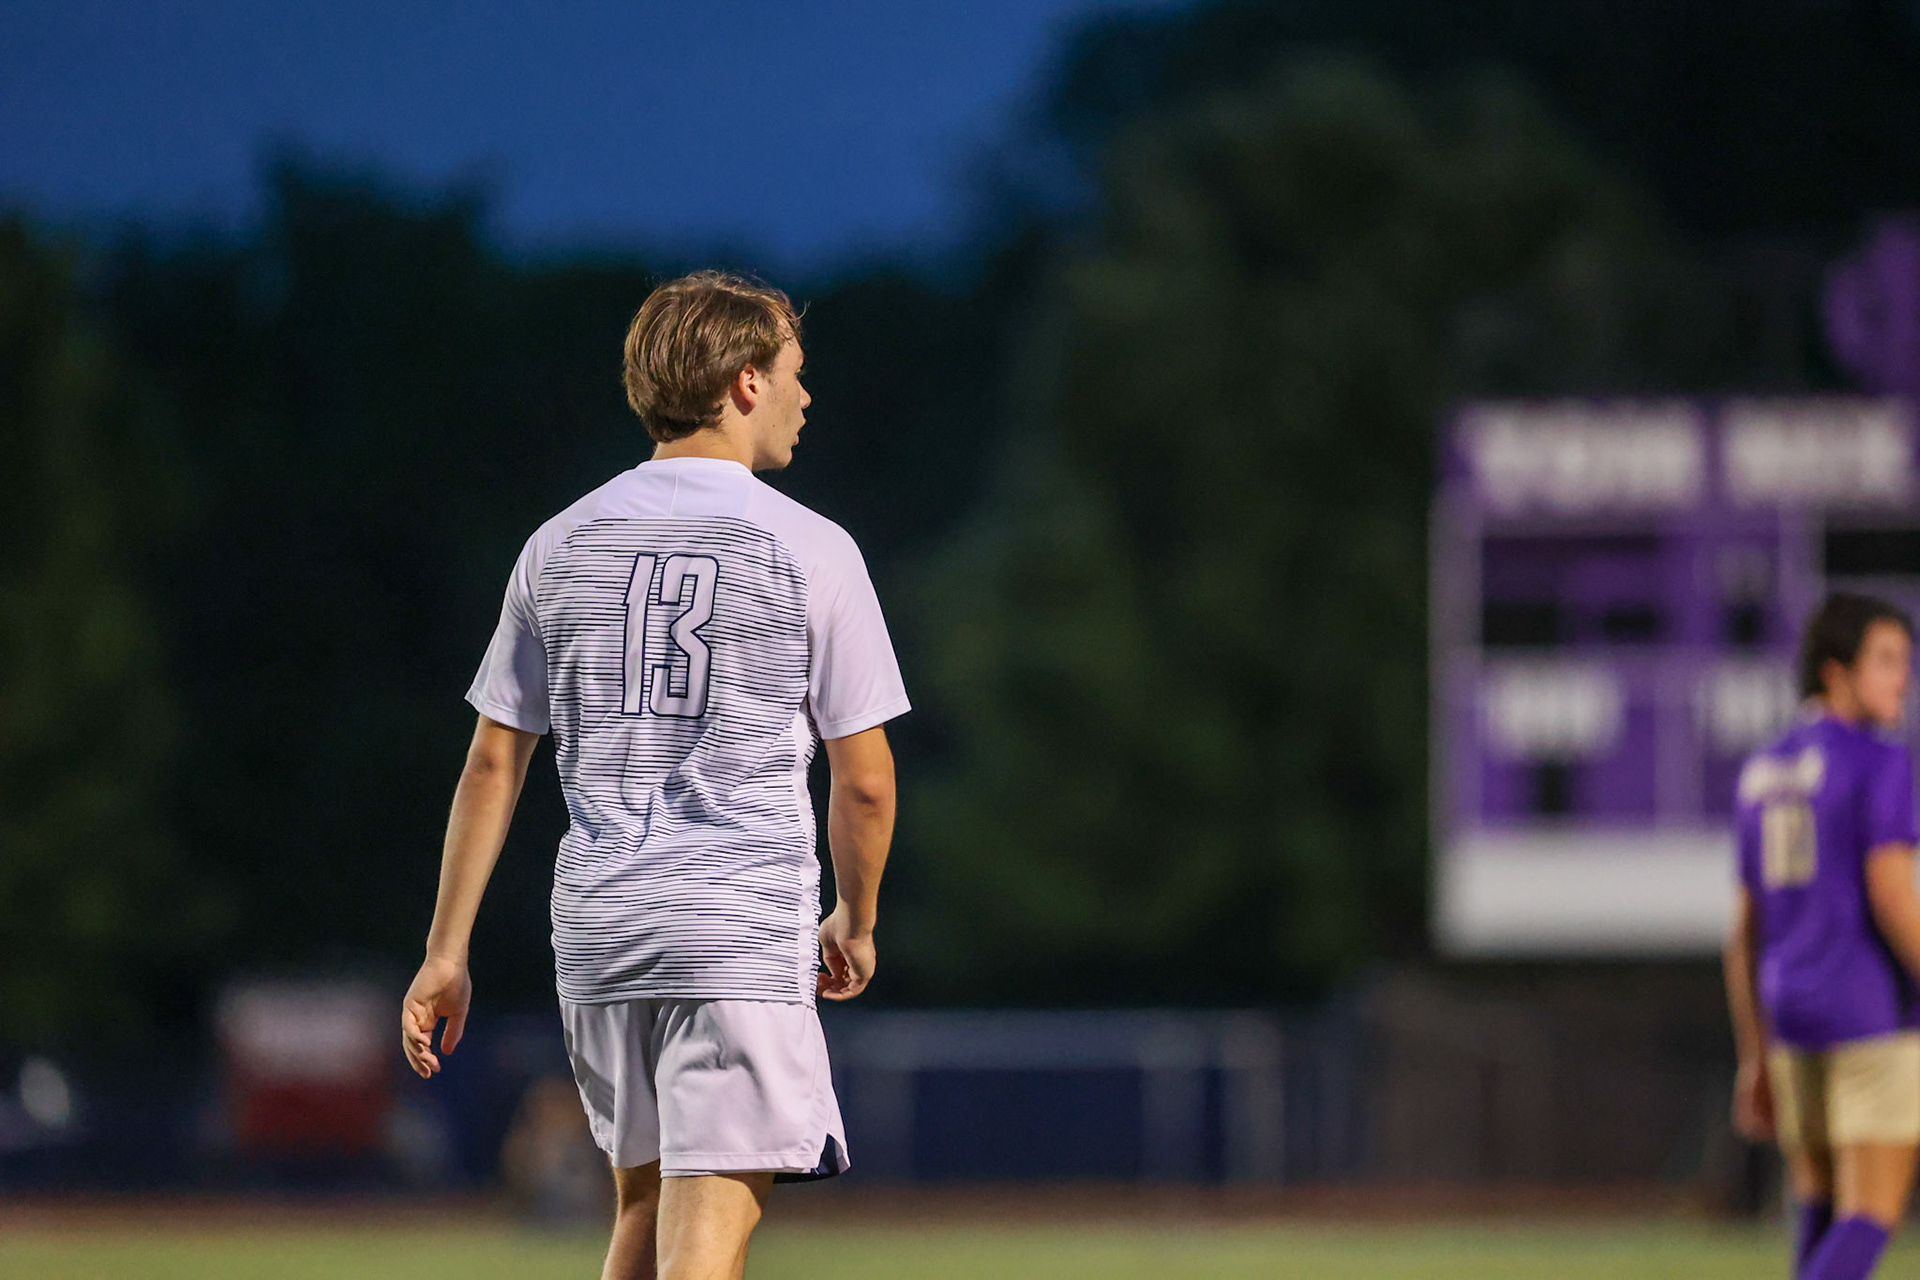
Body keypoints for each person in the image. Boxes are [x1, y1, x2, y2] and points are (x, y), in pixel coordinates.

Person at [399, 271, 909, 1280]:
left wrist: (444, 950)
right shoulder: (812, 547)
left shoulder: (559, 542)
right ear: (744, 382)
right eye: (796, 374)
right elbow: (865, 782)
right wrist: (857, 915)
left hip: (601, 932)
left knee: (643, 1211)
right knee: (704, 1243)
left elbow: (494, 761)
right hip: (733, 925)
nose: (809, 398)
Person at [1726, 592, 1920, 1280]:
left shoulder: (1760, 769)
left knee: (1823, 1204)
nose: (1904, 678)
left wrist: (1753, 1054)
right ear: (1836, 672)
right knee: (1870, 1215)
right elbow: (1894, 896)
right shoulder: (1879, 759)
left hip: (1789, 1016)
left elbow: (1742, 934)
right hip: (1869, 1014)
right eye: (1888, 660)